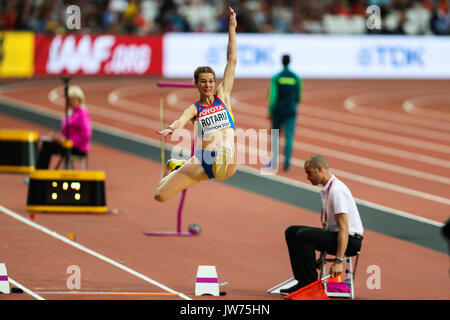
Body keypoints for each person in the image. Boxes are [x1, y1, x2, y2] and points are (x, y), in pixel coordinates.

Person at [154, 6, 237, 203]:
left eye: (210, 81)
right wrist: (170, 128)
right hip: (201, 161)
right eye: (203, 82)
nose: (208, 85)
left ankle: (223, 157)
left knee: (225, 151)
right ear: (196, 84)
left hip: (227, 160)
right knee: (159, 195)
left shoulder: (223, 96)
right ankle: (181, 167)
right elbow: (181, 120)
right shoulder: (195, 109)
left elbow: (232, 60)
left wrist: (232, 28)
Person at [280, 154, 364, 295]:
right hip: (338, 236)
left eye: (309, 173)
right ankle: (302, 281)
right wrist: (320, 256)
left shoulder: (337, 191)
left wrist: (338, 261)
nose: (307, 177)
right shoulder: (327, 189)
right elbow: (328, 229)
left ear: (319, 169)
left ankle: (310, 285)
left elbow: (344, 228)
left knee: (303, 236)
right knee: (292, 232)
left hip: (350, 241)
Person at [36, 85, 92, 169]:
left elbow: (86, 134)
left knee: (47, 146)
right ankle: (40, 172)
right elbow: (66, 132)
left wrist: (70, 141)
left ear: (79, 99)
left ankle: (40, 172)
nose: (71, 102)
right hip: (67, 144)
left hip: (78, 147)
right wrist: (58, 137)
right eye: (70, 99)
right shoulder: (70, 113)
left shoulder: (82, 114)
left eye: (74, 99)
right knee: (47, 143)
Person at [267, 54, 302, 172]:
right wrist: (294, 105)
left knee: (275, 136)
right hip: (291, 111)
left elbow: (273, 96)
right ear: (290, 62)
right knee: (289, 137)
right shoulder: (295, 77)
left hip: (278, 110)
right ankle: (287, 165)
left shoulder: (276, 77)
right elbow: (299, 95)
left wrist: (270, 110)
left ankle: (274, 162)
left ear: (282, 62)